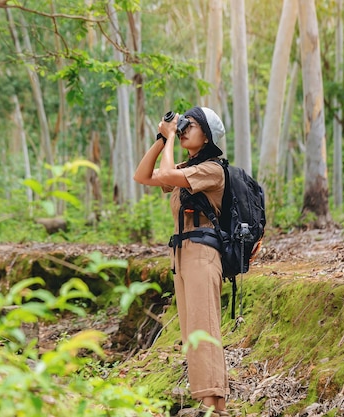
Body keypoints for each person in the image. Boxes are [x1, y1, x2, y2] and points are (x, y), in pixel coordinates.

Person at [133, 106, 230, 416]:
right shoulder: (186, 168)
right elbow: (143, 175)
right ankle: (210, 404)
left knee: (204, 328)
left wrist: (173, 134)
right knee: (191, 333)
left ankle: (213, 404)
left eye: (194, 125)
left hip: (203, 253)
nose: (187, 128)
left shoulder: (211, 169)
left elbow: (164, 175)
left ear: (207, 138)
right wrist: (163, 139)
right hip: (182, 255)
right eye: (185, 124)